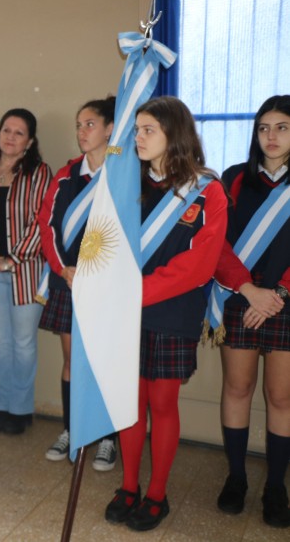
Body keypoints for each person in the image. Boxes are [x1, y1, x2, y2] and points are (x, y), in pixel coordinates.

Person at [104, 96, 227, 531]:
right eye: (136, 129)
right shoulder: (125, 184)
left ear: (174, 134)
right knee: (129, 405)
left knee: (162, 403)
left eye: (147, 130)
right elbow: (104, 240)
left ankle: (157, 492)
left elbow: (198, 264)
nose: (137, 137)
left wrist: (133, 293)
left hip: (172, 313)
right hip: (126, 312)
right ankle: (130, 485)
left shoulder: (208, 190)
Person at [212, 95, 290, 528]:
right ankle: (237, 478)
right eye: (264, 127)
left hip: (285, 302)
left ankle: (276, 485)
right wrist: (247, 289)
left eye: (282, 127)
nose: (272, 136)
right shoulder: (235, 179)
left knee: (281, 398)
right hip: (241, 299)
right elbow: (217, 244)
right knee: (237, 389)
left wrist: (276, 293)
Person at [37, 97, 119, 470]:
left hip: (108, 287)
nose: (81, 132)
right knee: (72, 361)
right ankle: (72, 429)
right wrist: (63, 270)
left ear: (110, 129)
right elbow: (47, 225)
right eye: (78, 125)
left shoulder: (124, 172)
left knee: (105, 363)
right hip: (69, 283)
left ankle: (106, 437)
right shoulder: (67, 174)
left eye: (89, 124)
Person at [0, 108, 52, 435]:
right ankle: (1, 405)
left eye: (19, 133)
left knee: (23, 343)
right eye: (6, 129)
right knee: (0, 343)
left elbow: (41, 222)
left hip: (26, 273)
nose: (10, 137)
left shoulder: (40, 173)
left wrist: (10, 260)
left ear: (30, 142)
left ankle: (20, 409)